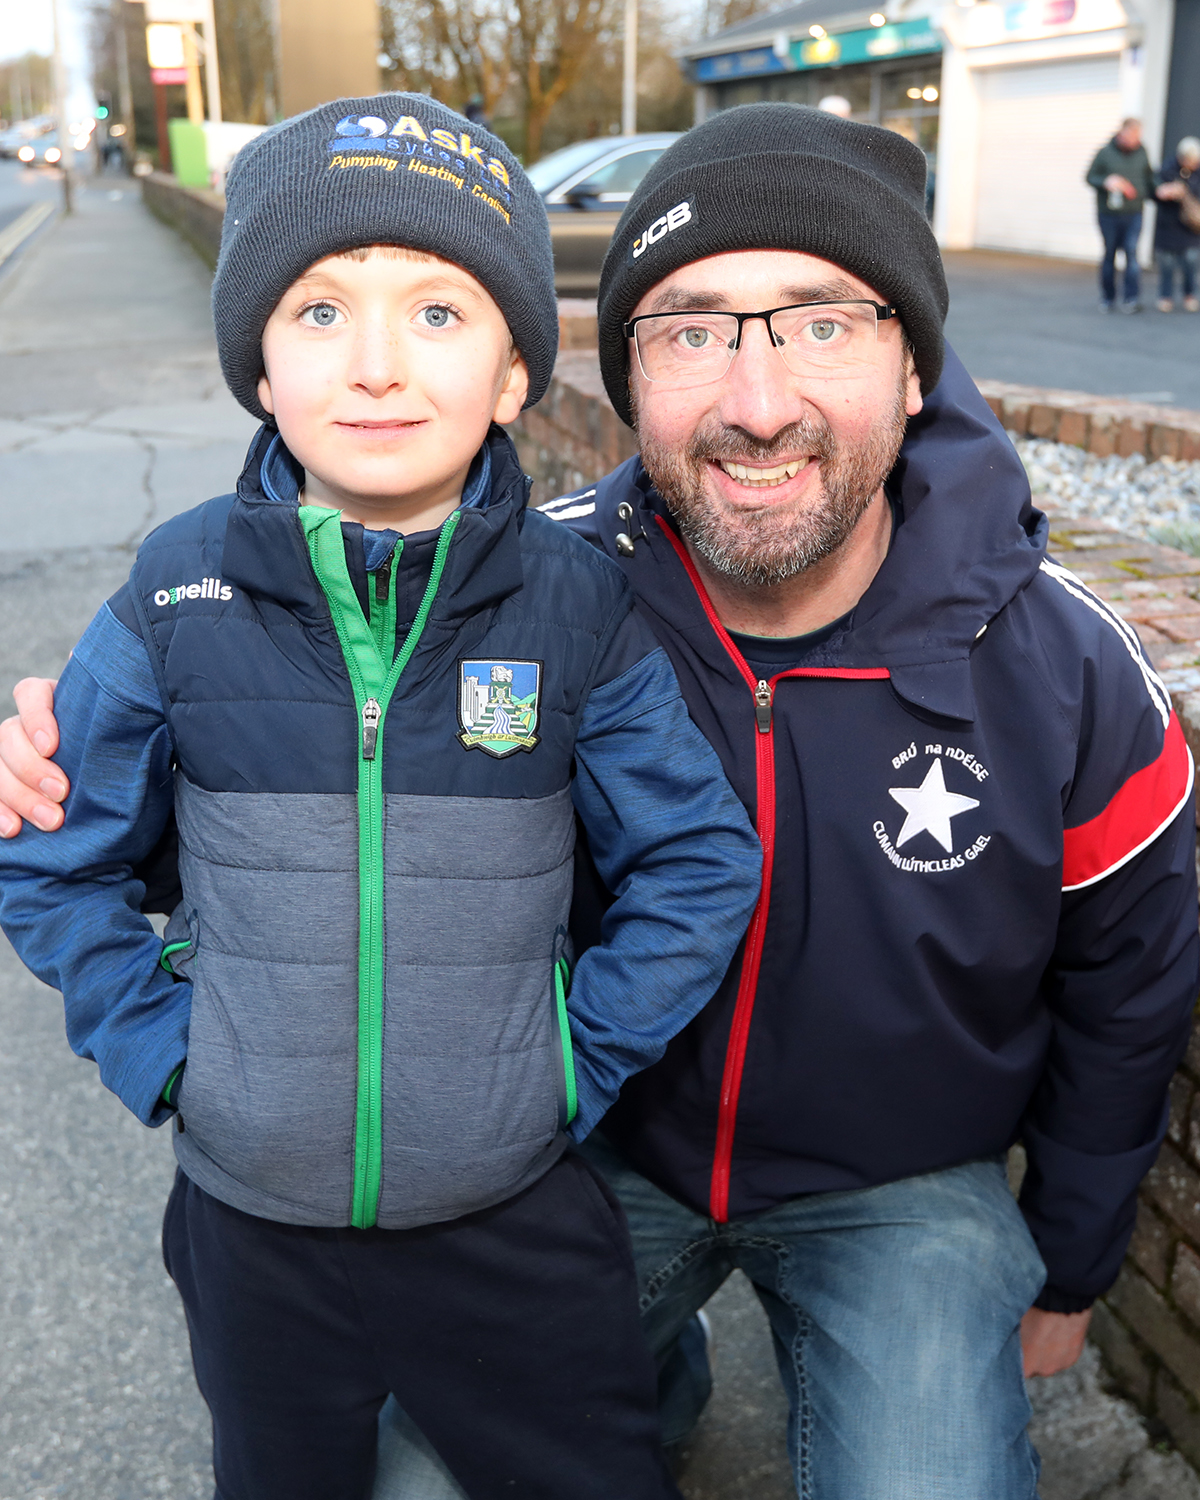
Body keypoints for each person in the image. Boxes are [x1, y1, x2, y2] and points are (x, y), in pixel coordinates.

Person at [4, 104, 1198, 1500]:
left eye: (823, 321)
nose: (760, 401)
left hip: (896, 1183)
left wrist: (1073, 1261)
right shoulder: (534, 583)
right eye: (691, 331)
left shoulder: (1064, 667)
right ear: (623, 374)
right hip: (587, 1157)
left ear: (915, 360)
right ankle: (658, 1361)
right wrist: (58, 789)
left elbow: (1132, 987)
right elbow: (265, 814)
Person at [0, 93, 764, 1500]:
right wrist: (164, 1051)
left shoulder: (577, 608)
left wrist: (572, 1062)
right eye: (317, 312)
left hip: (510, 1219)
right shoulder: (175, 592)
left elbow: (699, 859)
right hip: (252, 1230)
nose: (374, 365)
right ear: (259, 367)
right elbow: (51, 855)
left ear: (514, 374)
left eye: (437, 313)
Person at [1086, 116, 1158, 312]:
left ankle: (1131, 299)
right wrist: (1105, 181)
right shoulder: (1105, 153)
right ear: (1122, 132)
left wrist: (1159, 190)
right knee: (1109, 254)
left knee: (1131, 254)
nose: (1136, 139)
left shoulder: (1142, 152)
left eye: (1138, 135)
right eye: (1132, 135)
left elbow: (1149, 178)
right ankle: (1108, 298)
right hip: (1109, 214)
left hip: (1134, 212)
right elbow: (1090, 177)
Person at [1154, 135, 1200, 312]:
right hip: (1168, 225)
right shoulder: (1167, 169)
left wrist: (1186, 191)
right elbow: (1153, 190)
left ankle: (1190, 295)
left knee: (1190, 263)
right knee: (1167, 265)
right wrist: (1164, 192)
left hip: (1191, 227)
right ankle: (1165, 297)